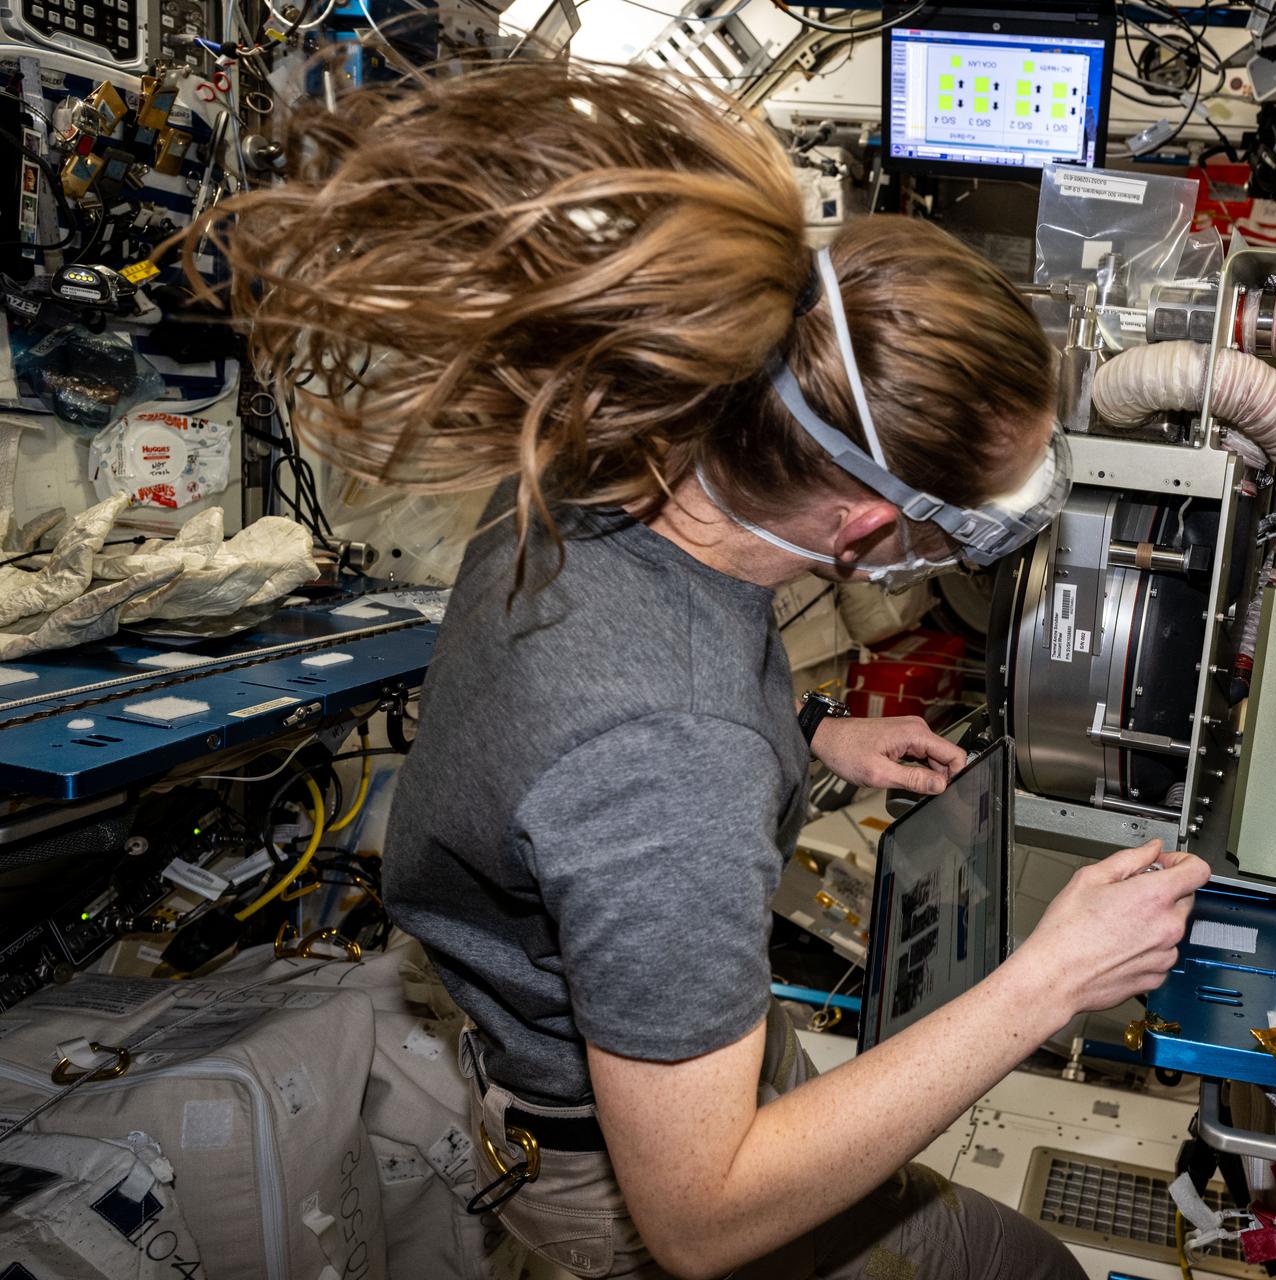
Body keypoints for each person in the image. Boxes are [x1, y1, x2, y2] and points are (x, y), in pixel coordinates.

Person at [200, 58, 1210, 1280]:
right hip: (631, 1179)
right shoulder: (675, 758)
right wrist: (1052, 980)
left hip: (653, 1052)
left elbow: (623, 696)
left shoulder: (596, 459)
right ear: (864, 533)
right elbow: (700, 1215)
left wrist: (815, 736)